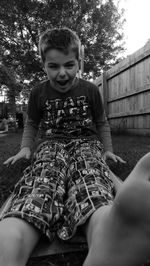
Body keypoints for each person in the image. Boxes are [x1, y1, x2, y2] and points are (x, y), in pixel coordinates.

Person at [1, 27, 150, 266]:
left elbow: (101, 122)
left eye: (69, 65)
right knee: (42, 178)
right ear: (44, 65)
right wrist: (26, 147)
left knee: (91, 173)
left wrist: (108, 149)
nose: (62, 73)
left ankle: (106, 229)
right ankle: (10, 239)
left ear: (79, 62)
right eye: (54, 66)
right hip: (51, 144)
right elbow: (31, 123)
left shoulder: (90, 90)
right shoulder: (38, 92)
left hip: (86, 143)